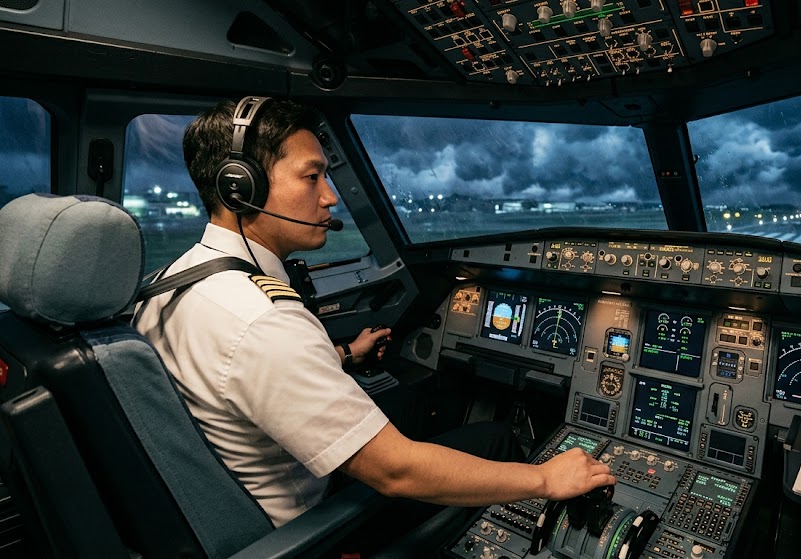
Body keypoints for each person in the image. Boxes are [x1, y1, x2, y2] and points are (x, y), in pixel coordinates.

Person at [132, 97, 614, 545]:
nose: (330, 197)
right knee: (495, 439)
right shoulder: (263, 320)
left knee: (415, 399)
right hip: (310, 528)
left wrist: (341, 356)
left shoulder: (172, 282)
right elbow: (396, 473)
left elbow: (239, 375)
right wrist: (546, 478)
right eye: (312, 176)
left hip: (240, 483)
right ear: (242, 186)